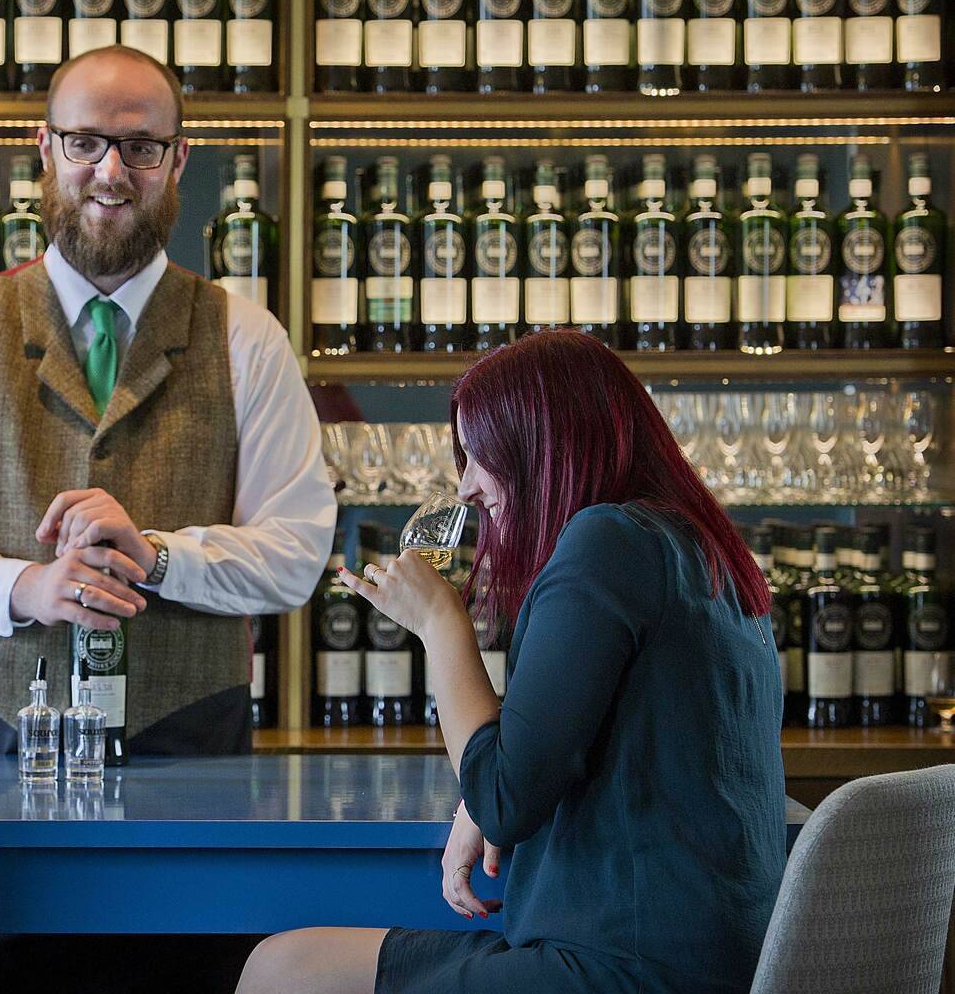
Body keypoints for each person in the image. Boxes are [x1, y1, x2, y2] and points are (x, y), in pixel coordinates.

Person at [0, 44, 335, 993]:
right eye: (84, 142)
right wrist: (26, 586)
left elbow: (297, 553)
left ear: (178, 161)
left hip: (191, 763)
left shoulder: (248, 336)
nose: (110, 172)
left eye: (139, 147)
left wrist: (158, 558)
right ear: (43, 148)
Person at [237, 331, 786, 994]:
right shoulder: (695, 544)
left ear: (543, 445)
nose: (466, 487)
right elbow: (544, 758)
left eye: (478, 455)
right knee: (283, 965)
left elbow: (503, 798)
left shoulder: (606, 541)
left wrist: (440, 623)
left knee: (280, 973)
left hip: (624, 968)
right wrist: (480, 806)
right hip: (711, 955)